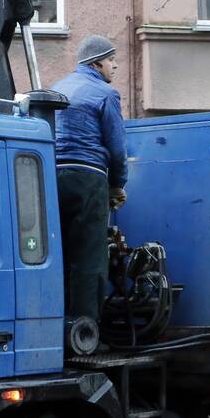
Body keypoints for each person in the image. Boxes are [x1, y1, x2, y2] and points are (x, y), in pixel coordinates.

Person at [51, 35, 128, 328]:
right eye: (111, 60)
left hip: (50, 175)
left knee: (58, 252)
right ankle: (85, 329)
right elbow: (117, 147)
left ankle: (56, 326)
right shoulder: (106, 94)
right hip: (87, 177)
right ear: (96, 63)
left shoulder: (57, 88)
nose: (115, 65)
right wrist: (117, 184)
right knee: (89, 257)